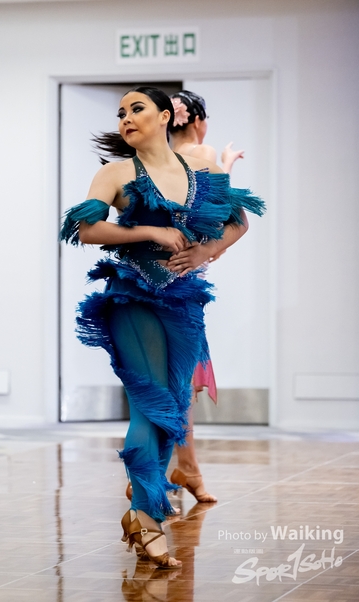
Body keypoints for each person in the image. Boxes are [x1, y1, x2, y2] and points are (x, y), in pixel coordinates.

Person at [60, 86, 265, 569]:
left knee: (174, 407)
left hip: (184, 300)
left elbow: (237, 221)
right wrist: (150, 230)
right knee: (150, 403)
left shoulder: (200, 171)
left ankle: (141, 513)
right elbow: (86, 229)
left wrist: (206, 251)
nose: (126, 118)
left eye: (137, 109)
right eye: (121, 113)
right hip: (132, 294)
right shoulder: (115, 173)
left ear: (165, 116)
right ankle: (148, 518)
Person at [167, 90, 244, 503]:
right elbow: (223, 215)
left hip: (164, 274)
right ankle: (179, 467)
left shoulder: (159, 160)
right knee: (177, 379)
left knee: (169, 378)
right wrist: (224, 163)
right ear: (198, 121)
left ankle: (183, 466)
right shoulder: (203, 151)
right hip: (179, 279)